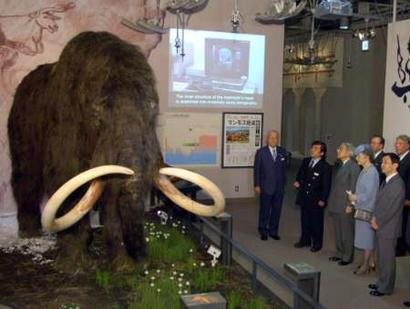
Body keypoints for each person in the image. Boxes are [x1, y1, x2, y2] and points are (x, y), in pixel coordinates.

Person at [368, 153, 405, 297]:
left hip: (388, 227)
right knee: (382, 257)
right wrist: (374, 217)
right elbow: (380, 203)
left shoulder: (398, 184)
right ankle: (381, 281)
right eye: (382, 162)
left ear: (395, 165)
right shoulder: (387, 180)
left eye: (386, 162)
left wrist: (378, 222)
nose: (382, 164)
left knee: (387, 259)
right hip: (381, 224)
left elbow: (392, 208)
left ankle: (386, 288)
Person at [293, 141, 332, 252]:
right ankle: (305, 240)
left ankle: (317, 243)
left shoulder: (325, 167)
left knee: (316, 222)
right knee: (304, 220)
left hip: (316, 198)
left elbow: (326, 185)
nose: (312, 150)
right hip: (304, 196)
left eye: (315, 148)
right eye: (312, 147)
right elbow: (300, 175)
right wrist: (298, 182)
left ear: (322, 153)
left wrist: (323, 199)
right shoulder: (306, 161)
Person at [347, 144, 379, 275]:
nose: (357, 159)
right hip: (362, 207)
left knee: (367, 240)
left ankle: (365, 265)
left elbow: (369, 194)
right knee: (366, 238)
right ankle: (370, 262)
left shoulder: (371, 172)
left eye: (359, 157)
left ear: (367, 157)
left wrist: (355, 197)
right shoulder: (365, 170)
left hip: (367, 210)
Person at [327, 143, 361, 266]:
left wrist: (350, 205)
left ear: (349, 152)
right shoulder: (339, 165)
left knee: (346, 232)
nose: (337, 150)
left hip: (345, 205)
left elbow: (353, 187)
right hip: (336, 203)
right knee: (338, 230)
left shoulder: (353, 167)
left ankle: (347, 256)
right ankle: (340, 252)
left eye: (341, 149)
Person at [254, 130, 287, 241]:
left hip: (279, 187)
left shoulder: (282, 151)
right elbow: (257, 170)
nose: (273, 140)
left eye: (275, 138)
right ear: (267, 139)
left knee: (277, 210)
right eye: (271, 138)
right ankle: (263, 230)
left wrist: (284, 184)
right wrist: (257, 185)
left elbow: (284, 170)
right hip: (265, 186)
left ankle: (273, 231)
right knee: (265, 210)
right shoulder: (261, 152)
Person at [395, 135, 410, 256]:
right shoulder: (400, 159)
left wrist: (408, 199)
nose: (397, 146)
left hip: (405, 200)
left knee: (404, 226)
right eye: (396, 143)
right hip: (398, 198)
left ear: (408, 145)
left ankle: (401, 251)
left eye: (400, 143)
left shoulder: (409, 159)